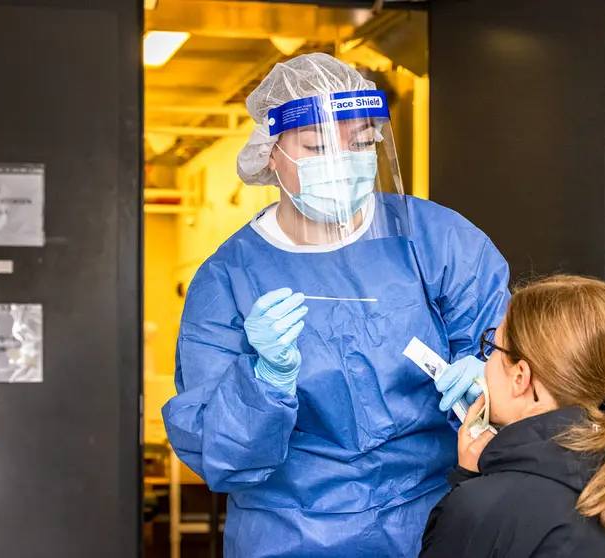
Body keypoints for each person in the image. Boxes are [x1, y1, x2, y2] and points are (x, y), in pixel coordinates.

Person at [162, 53, 510, 557]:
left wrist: (486, 380)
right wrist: (264, 382)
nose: (343, 161)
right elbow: (220, 454)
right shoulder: (229, 278)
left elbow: (517, 374)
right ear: (269, 153)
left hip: (433, 518)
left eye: (362, 143)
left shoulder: (436, 241)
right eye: (317, 145)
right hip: (289, 530)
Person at [420, 275, 605, 558]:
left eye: (492, 349)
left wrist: (467, 483)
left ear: (520, 377)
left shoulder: (480, 511)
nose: (485, 364)